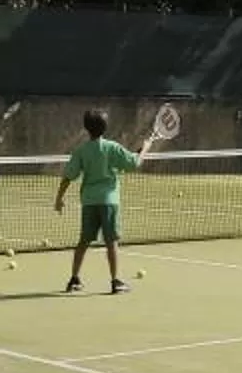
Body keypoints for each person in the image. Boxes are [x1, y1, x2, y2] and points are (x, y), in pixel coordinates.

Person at [53, 108, 163, 294]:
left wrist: (59, 199)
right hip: (109, 202)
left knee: (83, 242)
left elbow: (68, 176)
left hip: (89, 202)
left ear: (87, 128)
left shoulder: (81, 151)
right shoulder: (112, 147)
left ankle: (74, 279)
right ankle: (115, 281)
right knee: (111, 242)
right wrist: (145, 148)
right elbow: (134, 163)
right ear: (105, 127)